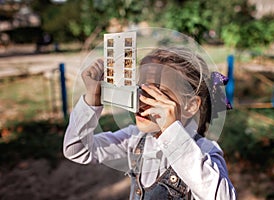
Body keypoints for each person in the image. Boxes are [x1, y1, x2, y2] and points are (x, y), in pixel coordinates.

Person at [63, 47, 236, 200]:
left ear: (190, 106)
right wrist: (92, 99)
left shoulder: (205, 151)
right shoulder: (136, 139)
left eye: (155, 94)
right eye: (139, 90)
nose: (140, 102)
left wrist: (172, 132)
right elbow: (76, 150)